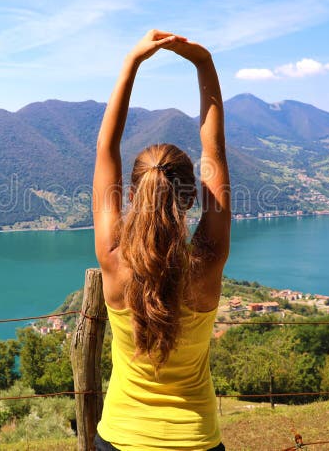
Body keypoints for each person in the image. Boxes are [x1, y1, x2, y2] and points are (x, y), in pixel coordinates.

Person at [92, 30, 231, 450]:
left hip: (120, 439)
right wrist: (203, 63)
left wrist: (132, 61)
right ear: (191, 196)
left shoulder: (114, 259)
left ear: (132, 195)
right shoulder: (206, 261)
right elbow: (216, 152)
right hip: (196, 440)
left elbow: (106, 148)